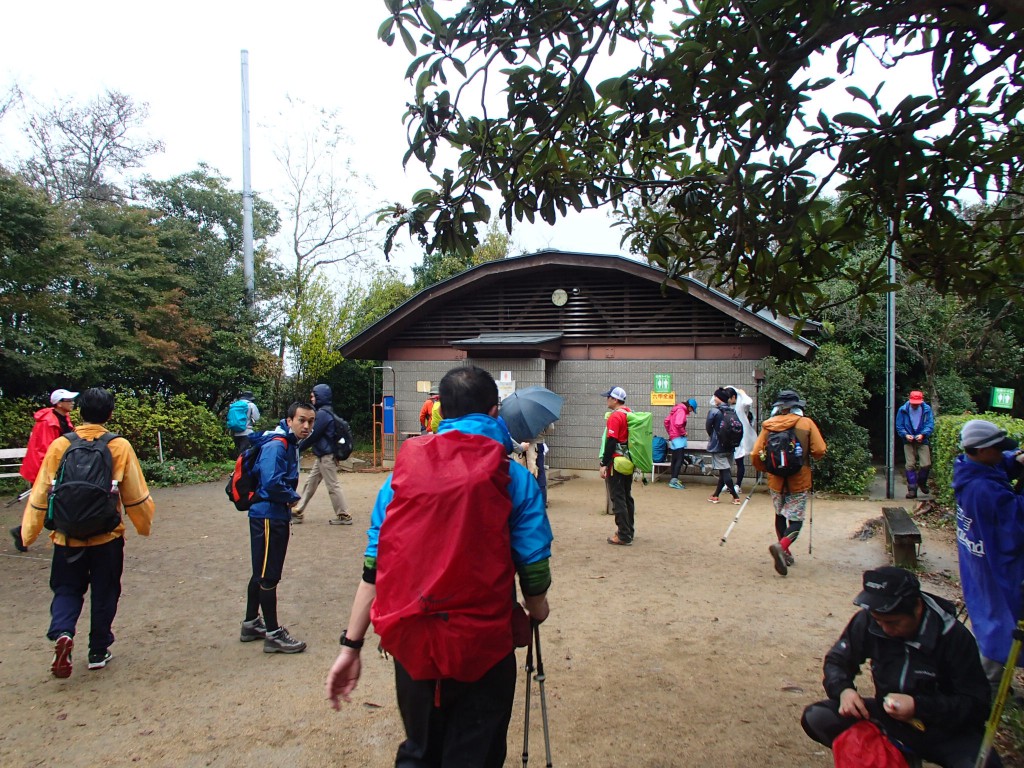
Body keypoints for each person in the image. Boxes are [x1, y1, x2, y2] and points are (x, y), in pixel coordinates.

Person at [325, 365, 552, 767]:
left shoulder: (400, 477)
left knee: (420, 750)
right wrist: (537, 609)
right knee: (475, 754)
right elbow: (532, 565)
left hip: (414, 644)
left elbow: (374, 567)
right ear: (494, 411)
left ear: (441, 412)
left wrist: (351, 645)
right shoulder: (513, 477)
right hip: (484, 645)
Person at [801, 567, 1000, 768]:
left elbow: (977, 704)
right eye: (879, 621)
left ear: (917, 607)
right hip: (888, 720)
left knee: (985, 765)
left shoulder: (952, 637)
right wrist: (844, 690)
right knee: (817, 717)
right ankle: (897, 756)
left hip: (944, 731)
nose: (885, 629)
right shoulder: (869, 620)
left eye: (894, 622)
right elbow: (837, 661)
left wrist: (918, 706)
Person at [19, 387, 155, 677]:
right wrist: (143, 524)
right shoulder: (118, 446)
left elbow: (42, 491)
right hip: (107, 535)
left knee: (67, 588)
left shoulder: (61, 445)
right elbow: (135, 494)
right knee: (105, 591)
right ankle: (98, 649)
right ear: (109, 414)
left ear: (80, 412)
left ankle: (64, 632)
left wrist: (28, 533)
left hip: (67, 536)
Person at [952, 419, 1024, 695]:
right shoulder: (984, 491)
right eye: (997, 448)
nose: (1001, 452)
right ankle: (987, 692)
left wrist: (1016, 458)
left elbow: (999, 464)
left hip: (977, 567)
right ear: (981, 451)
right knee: (999, 623)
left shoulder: (969, 469)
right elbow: (1016, 525)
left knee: (989, 618)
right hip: (995, 571)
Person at [239, 401, 316, 654]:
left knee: (260, 571)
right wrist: (291, 496)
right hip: (269, 516)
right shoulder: (277, 444)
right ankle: (273, 633)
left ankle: (251, 623)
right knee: (269, 575)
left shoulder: (286, 442)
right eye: (302, 420)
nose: (306, 426)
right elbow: (271, 483)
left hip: (269, 514)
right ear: (290, 420)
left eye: (310, 421)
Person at [750, 389, 826, 576]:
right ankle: (782, 546)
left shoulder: (769, 425)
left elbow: (755, 454)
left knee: (779, 514)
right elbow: (820, 450)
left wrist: (765, 469)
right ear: (797, 406)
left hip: (776, 480)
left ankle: (786, 553)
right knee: (796, 519)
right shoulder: (806, 423)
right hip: (799, 479)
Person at [10, 388, 78, 553]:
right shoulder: (48, 421)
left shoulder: (62, 418)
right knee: (43, 505)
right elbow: (45, 451)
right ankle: (23, 533)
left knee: (50, 504)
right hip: (44, 469)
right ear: (59, 403)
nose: (72, 402)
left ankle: (25, 532)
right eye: (69, 400)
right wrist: (48, 477)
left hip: (57, 468)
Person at [291, 383, 351, 525]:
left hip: (326, 456)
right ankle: (298, 510)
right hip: (323, 456)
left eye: (313, 396)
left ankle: (344, 515)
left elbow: (313, 435)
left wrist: (297, 448)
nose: (311, 399)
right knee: (310, 483)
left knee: (333, 485)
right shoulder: (325, 412)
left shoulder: (323, 414)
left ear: (320, 397)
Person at [601, 386, 635, 545]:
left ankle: (623, 534)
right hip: (628, 460)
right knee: (627, 496)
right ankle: (629, 530)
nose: (606, 399)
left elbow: (611, 442)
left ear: (615, 399)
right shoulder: (629, 413)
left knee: (618, 498)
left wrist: (603, 463)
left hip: (616, 462)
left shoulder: (615, 417)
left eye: (608, 397)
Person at [705, 387, 742, 504]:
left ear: (719, 398)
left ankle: (735, 496)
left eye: (715, 396)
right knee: (724, 471)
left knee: (725, 472)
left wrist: (714, 437)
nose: (714, 398)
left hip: (718, 446)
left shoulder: (714, 411)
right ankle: (715, 495)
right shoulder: (732, 411)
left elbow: (708, 427)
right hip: (730, 445)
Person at [896, 390, 934, 499]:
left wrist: (923, 434)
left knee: (926, 464)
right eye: (913, 403)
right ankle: (912, 489)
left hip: (922, 440)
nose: (915, 405)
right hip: (908, 440)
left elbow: (929, 424)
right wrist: (905, 434)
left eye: (917, 403)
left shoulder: (926, 409)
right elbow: (899, 425)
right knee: (910, 464)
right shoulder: (903, 410)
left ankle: (921, 482)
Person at [664, 397, 697, 490]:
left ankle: (673, 479)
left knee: (674, 459)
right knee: (679, 459)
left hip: (673, 437)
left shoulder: (675, 410)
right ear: (689, 406)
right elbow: (679, 424)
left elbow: (666, 421)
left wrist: (670, 432)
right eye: (692, 409)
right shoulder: (682, 411)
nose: (690, 411)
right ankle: (674, 481)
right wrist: (683, 432)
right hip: (679, 437)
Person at [729, 386, 757, 495]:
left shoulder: (742, 406)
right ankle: (728, 483)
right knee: (728, 462)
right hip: (731, 437)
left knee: (739, 462)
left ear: (734, 397)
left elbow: (748, 401)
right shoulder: (729, 407)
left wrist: (742, 393)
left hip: (741, 438)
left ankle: (738, 485)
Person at [227, 391, 261, 457]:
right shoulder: (251, 405)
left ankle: (238, 466)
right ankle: (243, 467)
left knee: (239, 454)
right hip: (247, 432)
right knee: (245, 455)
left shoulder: (234, 405)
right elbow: (257, 418)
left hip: (235, 432)